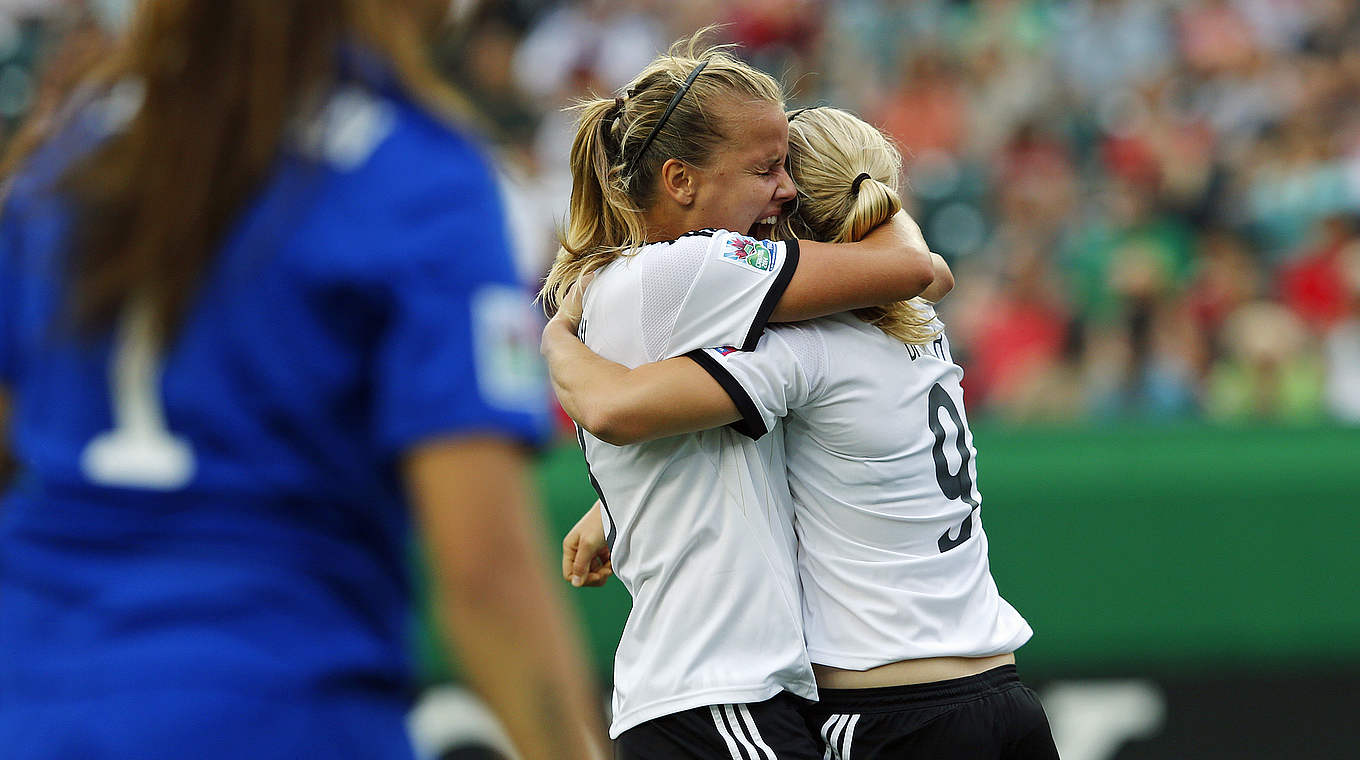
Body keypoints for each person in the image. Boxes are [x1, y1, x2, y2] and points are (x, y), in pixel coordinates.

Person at [0, 2, 604, 758]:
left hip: (40, 708)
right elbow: (486, 579)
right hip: (281, 710)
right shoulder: (418, 174)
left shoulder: (69, 159)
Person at [547, 107, 1060, 759]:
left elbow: (617, 406)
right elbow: (925, 276)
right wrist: (604, 512)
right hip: (1005, 695)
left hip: (890, 713)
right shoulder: (921, 318)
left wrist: (559, 338)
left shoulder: (798, 354)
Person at [538, 34, 938, 759]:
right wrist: (869, 185)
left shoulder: (652, 283)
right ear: (680, 181)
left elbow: (686, 417)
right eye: (766, 169)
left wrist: (607, 510)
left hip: (694, 695)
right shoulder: (697, 268)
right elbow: (914, 269)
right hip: (725, 695)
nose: (786, 190)